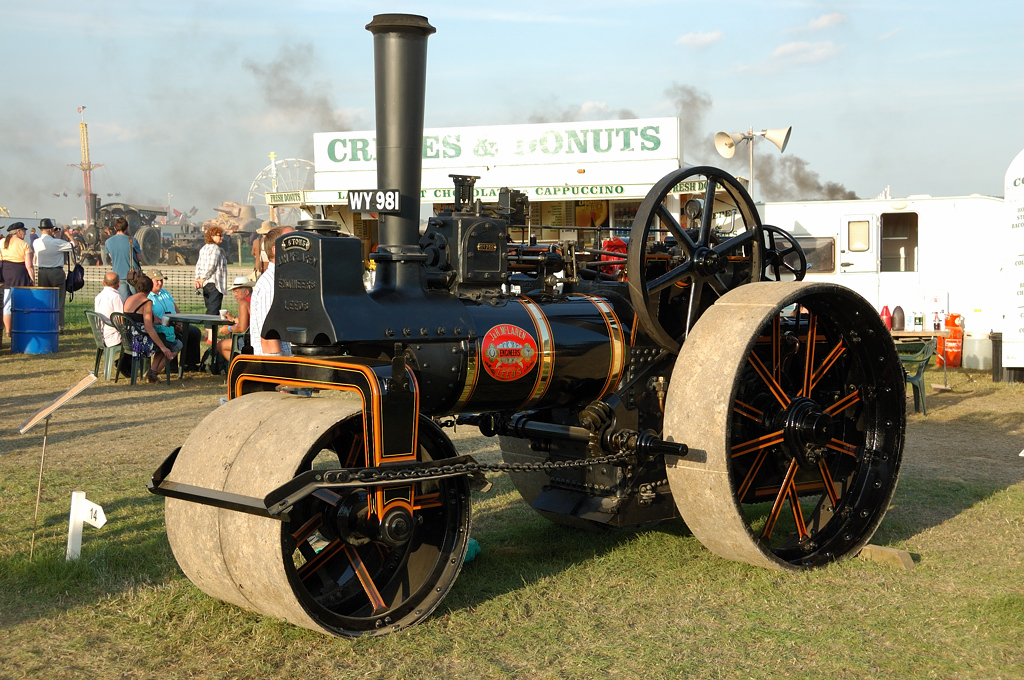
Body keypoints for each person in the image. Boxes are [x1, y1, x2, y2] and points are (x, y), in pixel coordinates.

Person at [124, 272, 181, 384]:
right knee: (173, 344)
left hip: (128, 339)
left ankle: (152, 373)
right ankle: (153, 372)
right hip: (141, 342)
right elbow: (148, 327)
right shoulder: (147, 301)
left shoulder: (129, 299)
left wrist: (157, 321)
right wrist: (162, 347)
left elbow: (135, 318)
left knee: (165, 341)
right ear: (150, 288)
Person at [249, 225, 294, 356]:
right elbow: (268, 339)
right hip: (278, 367)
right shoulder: (271, 285)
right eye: (292, 241)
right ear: (276, 250)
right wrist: (279, 371)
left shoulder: (284, 281)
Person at [32, 218, 75, 332]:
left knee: (44, 299)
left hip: (42, 272)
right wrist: (65, 234)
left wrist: (53, 234)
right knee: (59, 300)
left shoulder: (36, 242)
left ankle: (45, 324)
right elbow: (73, 245)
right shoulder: (57, 242)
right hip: (56, 272)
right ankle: (59, 326)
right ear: (51, 230)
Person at [1, 222, 35, 347]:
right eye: (24, 231)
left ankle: (8, 331)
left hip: (6, 275)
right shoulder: (24, 245)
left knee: (7, 303)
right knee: (23, 302)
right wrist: (33, 280)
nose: (25, 233)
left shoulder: (1, 242)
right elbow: (29, 266)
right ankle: (21, 328)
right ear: (18, 232)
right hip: (20, 275)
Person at [193, 225, 228, 342]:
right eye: (219, 235)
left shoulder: (203, 249)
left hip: (205, 284)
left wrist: (198, 279)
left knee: (210, 308)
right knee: (214, 310)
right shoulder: (215, 249)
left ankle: (208, 335)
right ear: (212, 236)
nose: (222, 238)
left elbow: (198, 265)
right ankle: (212, 338)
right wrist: (203, 278)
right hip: (215, 283)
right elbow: (211, 266)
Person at [217, 276, 253, 362]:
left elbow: (242, 328)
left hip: (247, 341)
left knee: (220, 345)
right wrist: (233, 319)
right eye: (234, 292)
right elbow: (248, 321)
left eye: (237, 291)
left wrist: (228, 329)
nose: (235, 295)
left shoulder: (243, 302)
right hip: (256, 338)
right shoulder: (254, 300)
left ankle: (239, 366)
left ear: (247, 291)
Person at [104, 217, 141, 299]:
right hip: (133, 275)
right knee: (138, 299)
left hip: (119, 274)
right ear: (127, 228)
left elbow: (110, 256)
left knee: (125, 301)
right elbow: (139, 258)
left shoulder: (108, 242)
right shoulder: (132, 240)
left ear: (114, 228)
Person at [94, 272, 124, 348]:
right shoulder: (116, 297)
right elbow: (121, 319)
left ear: (103, 283)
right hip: (114, 336)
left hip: (101, 335)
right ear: (118, 284)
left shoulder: (98, 297)